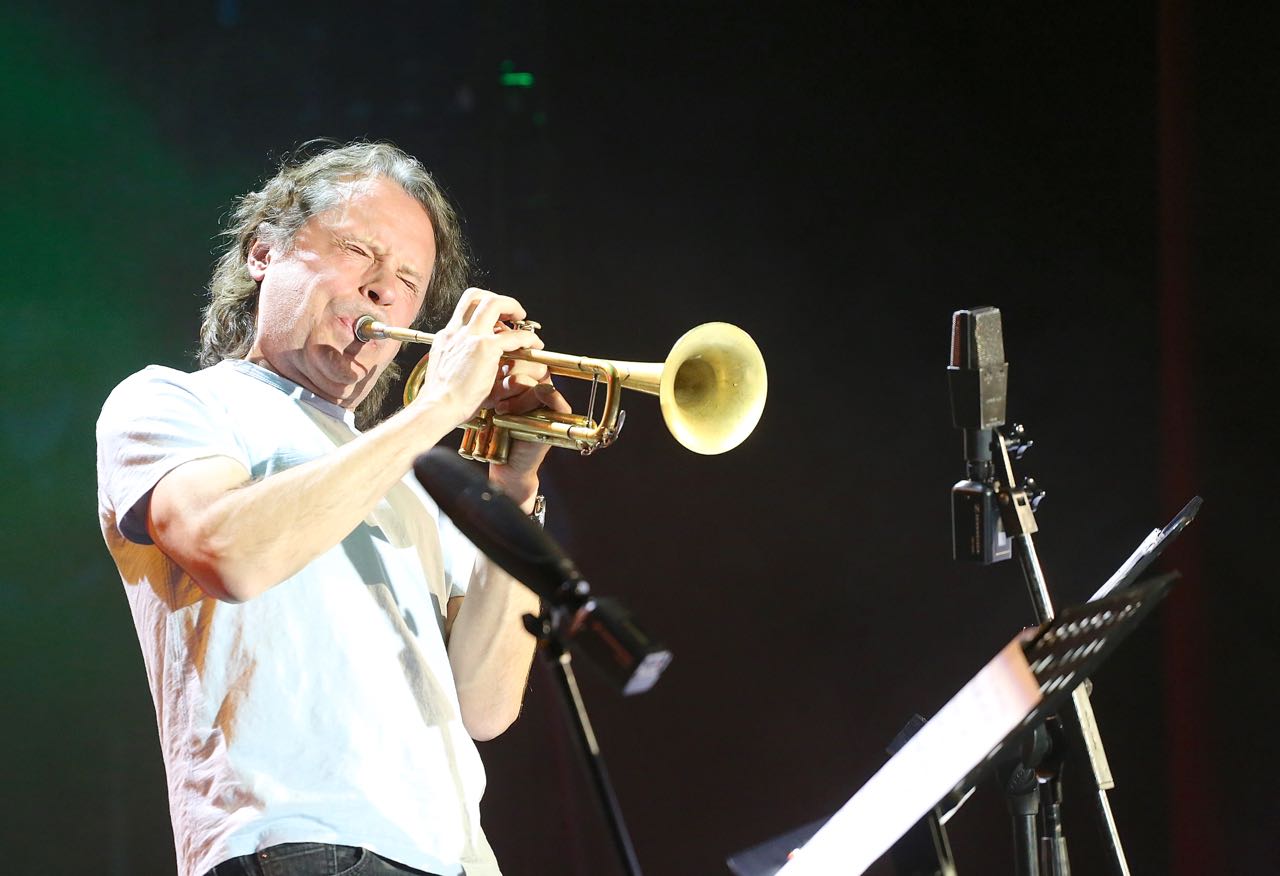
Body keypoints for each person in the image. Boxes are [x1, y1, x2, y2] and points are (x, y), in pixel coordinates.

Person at [96, 141, 568, 876]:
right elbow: (231, 555)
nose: (384, 292)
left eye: (409, 280)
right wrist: (441, 407)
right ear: (263, 253)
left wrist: (513, 487)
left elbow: (485, 705)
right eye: (358, 252)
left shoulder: (407, 473)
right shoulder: (174, 401)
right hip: (302, 841)